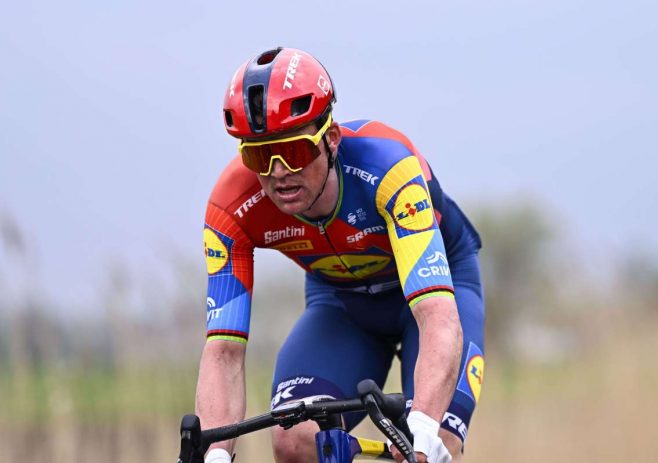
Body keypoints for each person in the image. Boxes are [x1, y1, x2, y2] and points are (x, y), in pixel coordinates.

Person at [196, 47, 485, 463]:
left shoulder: (388, 167)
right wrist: (216, 455)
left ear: (331, 139)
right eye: (259, 156)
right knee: (295, 441)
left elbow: (436, 314)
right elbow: (223, 350)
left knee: (432, 443)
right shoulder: (232, 207)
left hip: (437, 292)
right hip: (342, 304)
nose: (278, 172)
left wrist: (421, 428)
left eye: (294, 151)